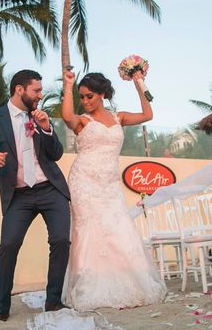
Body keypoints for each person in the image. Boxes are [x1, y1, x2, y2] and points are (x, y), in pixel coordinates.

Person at [0, 69, 70, 322]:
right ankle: (1, 308)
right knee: (8, 245)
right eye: (36, 90)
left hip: (50, 189)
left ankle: (53, 301)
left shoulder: (40, 116)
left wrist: (46, 129)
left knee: (61, 240)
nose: (40, 95)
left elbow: (56, 154)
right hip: (18, 195)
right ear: (19, 89)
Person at [61, 70, 166, 311]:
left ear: (102, 94)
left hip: (109, 185)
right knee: (88, 230)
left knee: (119, 228)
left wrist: (139, 82)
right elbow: (67, 116)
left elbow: (148, 114)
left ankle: (127, 282)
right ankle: (89, 286)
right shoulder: (83, 121)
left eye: (89, 96)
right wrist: (68, 85)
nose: (85, 102)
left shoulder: (119, 118)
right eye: (82, 97)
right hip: (84, 181)